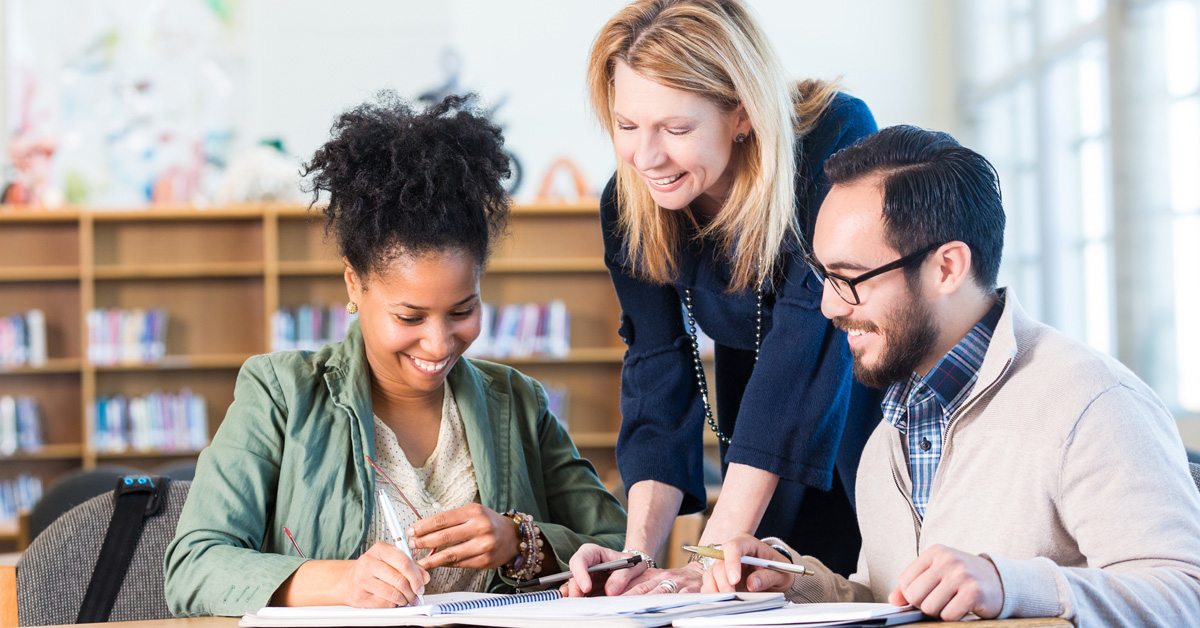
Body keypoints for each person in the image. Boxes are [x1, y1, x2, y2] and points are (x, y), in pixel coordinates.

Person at [703, 125, 1200, 624]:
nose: (830, 306)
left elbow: (1185, 594)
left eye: (850, 279)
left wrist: (1007, 584)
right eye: (823, 276)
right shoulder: (886, 435)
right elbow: (894, 603)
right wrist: (797, 583)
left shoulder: (1093, 404)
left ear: (946, 268)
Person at [164, 94, 627, 617]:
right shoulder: (280, 394)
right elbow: (194, 565)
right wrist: (341, 581)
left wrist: (520, 544)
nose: (438, 343)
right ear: (354, 284)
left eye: (462, 311)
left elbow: (620, 549)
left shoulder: (518, 402)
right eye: (410, 317)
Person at [566, 0, 882, 596]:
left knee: (861, 581)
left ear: (741, 114)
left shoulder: (833, 140)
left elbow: (804, 347)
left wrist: (710, 555)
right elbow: (657, 372)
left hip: (863, 399)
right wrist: (636, 554)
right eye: (627, 126)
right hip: (757, 417)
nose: (646, 158)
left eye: (676, 129)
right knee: (751, 589)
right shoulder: (629, 201)